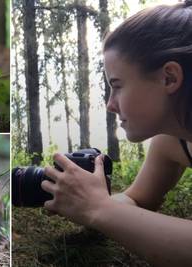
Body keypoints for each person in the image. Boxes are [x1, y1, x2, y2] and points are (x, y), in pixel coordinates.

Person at [41, 1, 192, 266]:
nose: (111, 104)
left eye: (117, 86)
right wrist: (82, 200)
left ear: (169, 78)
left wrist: (99, 208)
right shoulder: (172, 141)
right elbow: (137, 200)